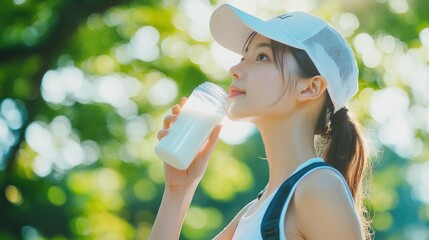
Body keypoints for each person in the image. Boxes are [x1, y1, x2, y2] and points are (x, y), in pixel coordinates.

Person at [149, 4, 372, 240]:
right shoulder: (253, 212)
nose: (234, 69)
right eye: (244, 57)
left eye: (262, 57)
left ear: (310, 87)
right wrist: (178, 190)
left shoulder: (319, 188)